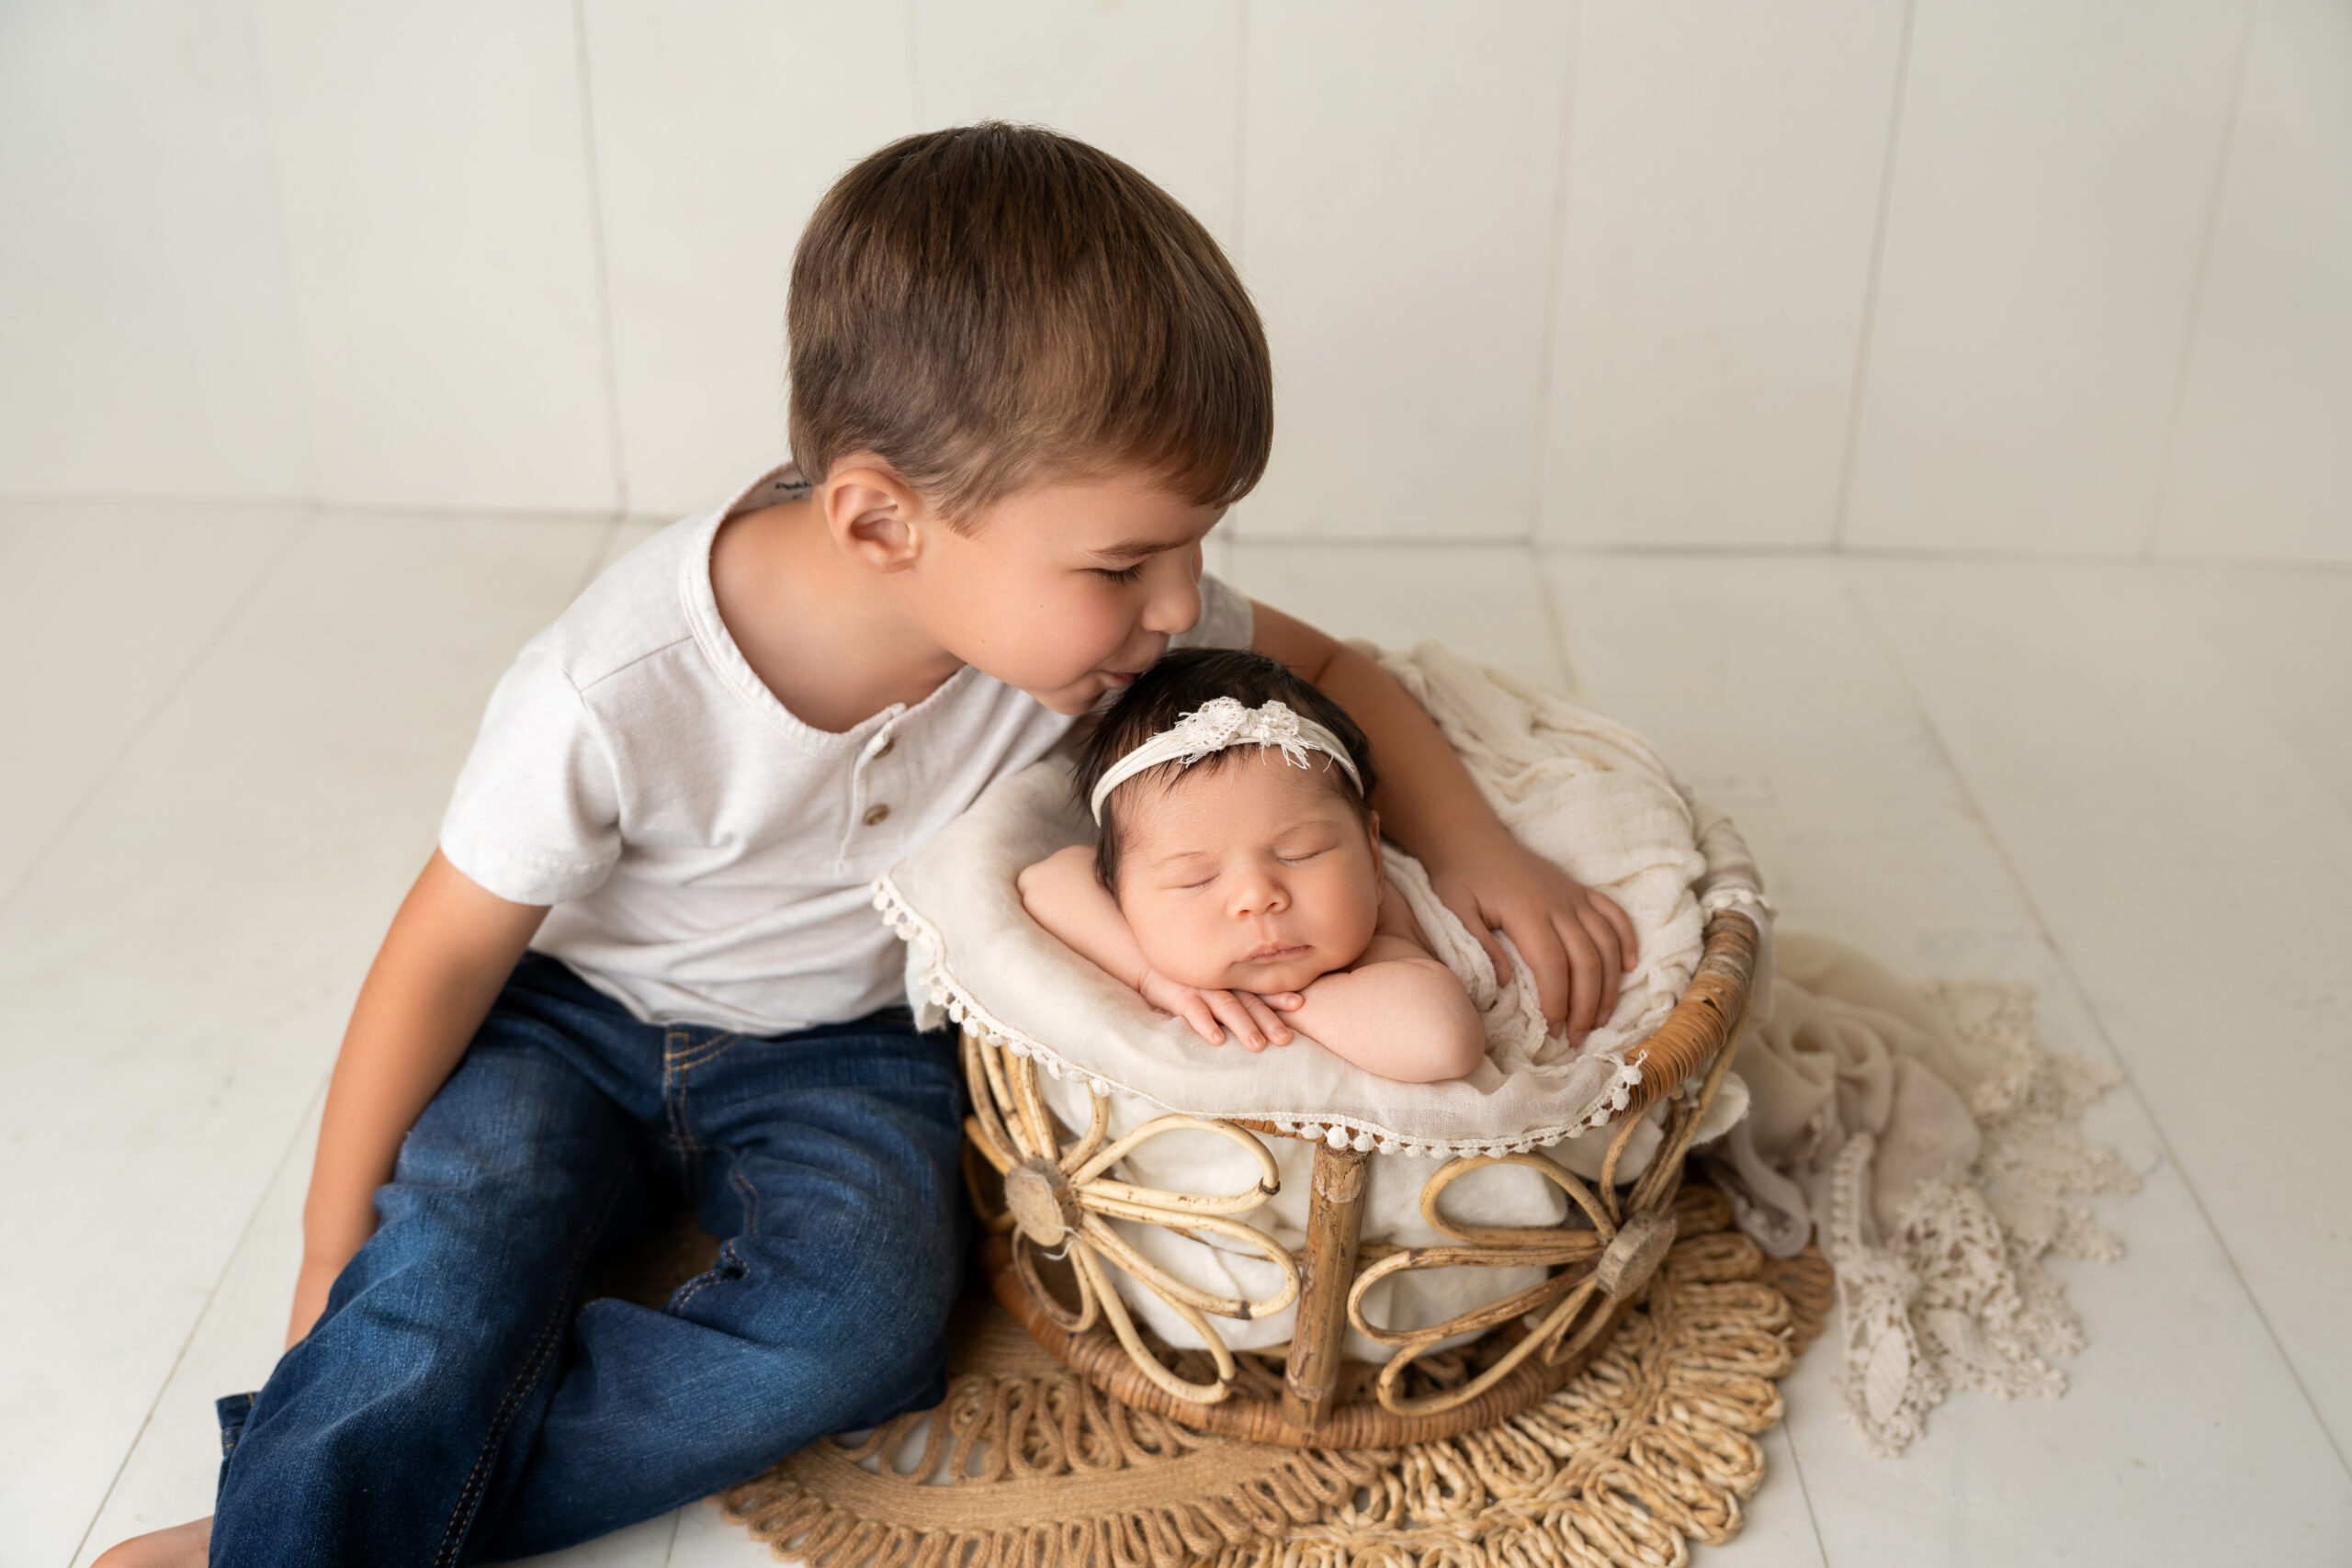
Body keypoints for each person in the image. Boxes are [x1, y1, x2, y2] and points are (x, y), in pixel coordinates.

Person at [97, 122, 1634, 1568]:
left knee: (863, 1335)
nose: (1180, 606)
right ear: (884, 523)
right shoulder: (618, 683)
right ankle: (333, 1483)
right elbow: (439, 950)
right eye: (1127, 561)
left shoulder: (1059, 629)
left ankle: (308, 1516)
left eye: (1196, 547)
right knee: (437, 1282)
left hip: (849, 1045)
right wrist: (324, 1245)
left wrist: (1480, 847)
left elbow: (1343, 678)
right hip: (572, 1026)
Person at [1020, 648, 1494, 1082]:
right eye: (1195, 879)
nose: (1257, 896)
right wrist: (1153, 977)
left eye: (1300, 853)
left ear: (1372, 857)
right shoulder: (1123, 903)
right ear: (1117, 893)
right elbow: (1043, 882)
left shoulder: (1380, 938)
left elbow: (1442, 1041)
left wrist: (1271, 1006)